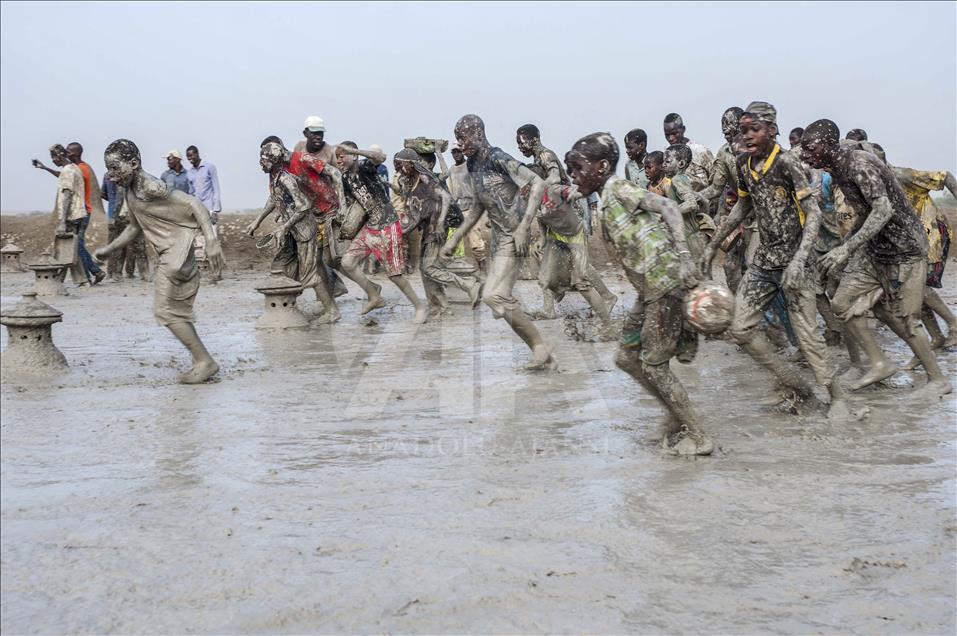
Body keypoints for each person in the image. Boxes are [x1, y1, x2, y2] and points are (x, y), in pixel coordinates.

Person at [567, 132, 711, 455]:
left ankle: (699, 435)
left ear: (603, 167)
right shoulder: (604, 202)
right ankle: (676, 416)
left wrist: (686, 258)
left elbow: (670, 209)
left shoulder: (618, 188)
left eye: (578, 168)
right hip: (649, 292)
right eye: (570, 169)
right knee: (625, 357)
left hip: (666, 282)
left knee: (654, 366)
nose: (573, 175)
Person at [701, 102, 848, 417]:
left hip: (797, 262)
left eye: (755, 130)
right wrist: (713, 244)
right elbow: (743, 207)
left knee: (807, 335)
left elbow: (813, 214)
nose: (748, 136)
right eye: (744, 131)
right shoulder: (743, 165)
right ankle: (790, 382)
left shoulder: (787, 164)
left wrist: (799, 260)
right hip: (765, 262)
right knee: (740, 329)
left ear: (771, 130)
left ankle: (837, 398)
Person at [803, 119, 951, 396]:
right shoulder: (835, 170)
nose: (806, 155)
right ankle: (879, 362)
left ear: (827, 145)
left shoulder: (859, 164)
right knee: (842, 303)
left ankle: (937, 380)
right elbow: (864, 212)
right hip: (875, 248)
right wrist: (846, 245)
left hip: (905, 249)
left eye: (810, 149)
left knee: (908, 318)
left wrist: (846, 248)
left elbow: (883, 211)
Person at [94, 139, 224, 384]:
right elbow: (135, 227)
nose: (110, 175)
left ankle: (204, 361)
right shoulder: (130, 190)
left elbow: (194, 203)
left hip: (176, 252)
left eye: (115, 168)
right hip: (169, 253)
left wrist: (211, 240)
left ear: (133, 163)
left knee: (166, 311)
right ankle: (202, 360)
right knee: (171, 312)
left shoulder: (150, 186)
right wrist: (110, 249)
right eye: (108, 169)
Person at [441, 114, 554, 370]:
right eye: (457, 137)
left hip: (513, 237)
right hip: (498, 240)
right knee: (497, 302)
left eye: (463, 136)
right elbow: (479, 204)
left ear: (478, 134)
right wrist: (456, 237)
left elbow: (537, 183)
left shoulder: (498, 158)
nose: (460, 142)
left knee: (494, 297)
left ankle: (540, 346)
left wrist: (525, 227)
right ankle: (542, 352)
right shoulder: (472, 165)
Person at [336, 141, 429, 324]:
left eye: (342, 156)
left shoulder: (365, 167)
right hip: (371, 227)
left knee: (394, 275)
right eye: (336, 157)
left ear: (353, 156)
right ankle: (373, 294)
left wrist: (354, 150)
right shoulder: (345, 178)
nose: (338, 160)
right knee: (347, 262)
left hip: (388, 224)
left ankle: (419, 307)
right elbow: (352, 205)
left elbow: (381, 157)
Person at [246, 141, 338, 321]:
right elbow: (274, 199)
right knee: (290, 269)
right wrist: (257, 221)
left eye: (264, 159)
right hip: (294, 231)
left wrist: (284, 227)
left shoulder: (286, 179)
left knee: (309, 275)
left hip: (304, 231)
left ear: (274, 159)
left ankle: (332, 311)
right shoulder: (275, 178)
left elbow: (304, 205)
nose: (261, 163)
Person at [393, 148, 483, 314]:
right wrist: (404, 230)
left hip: (438, 228)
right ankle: (440, 305)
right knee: (424, 268)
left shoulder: (424, 179)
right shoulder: (410, 184)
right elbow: (417, 215)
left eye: (401, 164)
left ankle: (469, 285)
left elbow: (446, 197)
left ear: (411, 164)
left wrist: (441, 223)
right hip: (429, 229)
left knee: (429, 268)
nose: (398, 168)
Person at [892, 165, 957, 355]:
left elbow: (944, 176)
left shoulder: (900, 175)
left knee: (919, 286)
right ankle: (937, 336)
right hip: (911, 239)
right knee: (915, 290)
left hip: (931, 232)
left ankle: (954, 324)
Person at [286, 129, 349, 303]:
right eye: (313, 133)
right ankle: (331, 289)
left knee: (323, 255)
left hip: (327, 207)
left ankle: (335, 288)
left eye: (320, 133)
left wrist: (342, 205)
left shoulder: (329, 151)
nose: (318, 137)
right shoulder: (298, 147)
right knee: (315, 255)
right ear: (306, 133)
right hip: (308, 207)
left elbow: (338, 177)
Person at [47, 144, 92, 285]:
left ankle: (64, 279)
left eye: (53, 157)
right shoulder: (75, 169)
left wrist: (62, 222)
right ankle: (79, 280)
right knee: (72, 248)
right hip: (79, 214)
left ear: (59, 155)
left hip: (72, 215)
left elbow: (67, 196)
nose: (53, 161)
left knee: (65, 248)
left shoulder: (67, 171)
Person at [663, 144, 710, 262]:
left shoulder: (677, 180)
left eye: (668, 162)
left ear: (681, 164)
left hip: (690, 238)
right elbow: (701, 201)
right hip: (691, 236)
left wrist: (669, 213)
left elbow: (691, 204)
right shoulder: (682, 179)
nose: (663, 165)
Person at [448, 144, 489, 271]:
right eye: (454, 152)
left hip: (471, 207)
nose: (456, 155)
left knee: (475, 241)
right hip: (457, 208)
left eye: (458, 152)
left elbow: (478, 186)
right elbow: (450, 189)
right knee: (453, 241)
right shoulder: (451, 170)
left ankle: (483, 266)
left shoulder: (470, 166)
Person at [186, 145, 222, 281]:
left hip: (210, 208)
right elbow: (190, 193)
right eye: (188, 157)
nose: (190, 159)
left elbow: (216, 188)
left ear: (197, 154)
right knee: (199, 243)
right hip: (197, 211)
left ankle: (217, 272)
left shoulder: (209, 167)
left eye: (192, 155)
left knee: (212, 241)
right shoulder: (189, 173)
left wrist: (216, 210)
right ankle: (203, 272)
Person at [102, 174, 148, 281]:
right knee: (131, 245)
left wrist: (112, 202)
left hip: (115, 214)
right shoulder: (125, 176)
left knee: (115, 244)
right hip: (124, 214)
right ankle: (124, 272)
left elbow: (103, 194)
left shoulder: (107, 176)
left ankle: (113, 272)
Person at [662, 113, 714, 190]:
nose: (671, 138)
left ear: (683, 129)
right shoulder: (667, 153)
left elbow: (716, 181)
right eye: (667, 135)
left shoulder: (699, 151)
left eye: (674, 133)